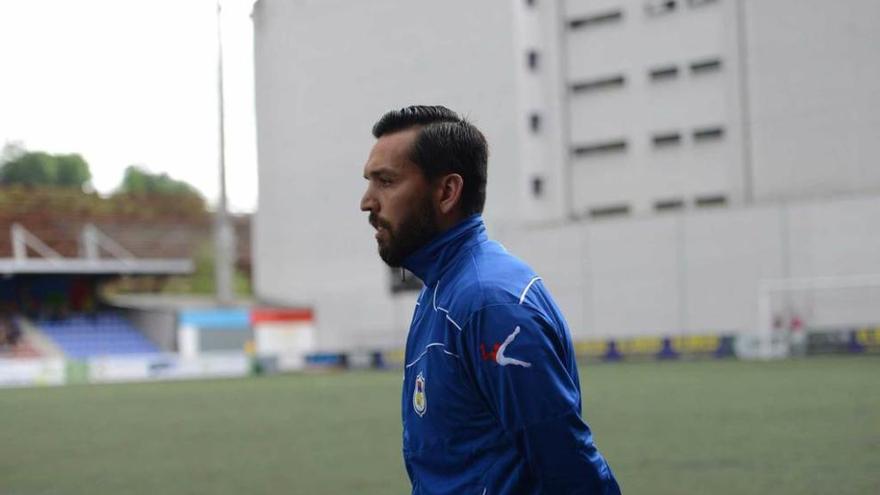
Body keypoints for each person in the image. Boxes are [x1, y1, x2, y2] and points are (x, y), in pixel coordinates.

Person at [360, 105, 621, 494]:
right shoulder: (441, 291)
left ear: (447, 191)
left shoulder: (490, 304)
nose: (367, 202)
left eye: (386, 182)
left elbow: (569, 465)